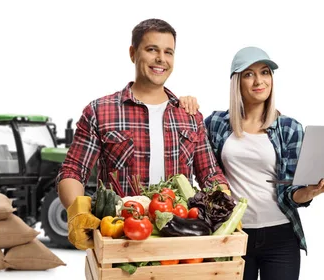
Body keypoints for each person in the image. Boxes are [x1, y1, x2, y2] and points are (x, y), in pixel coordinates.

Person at [56, 18, 229, 250]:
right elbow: (73, 170)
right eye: (151, 49)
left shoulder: (190, 116)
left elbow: (210, 174)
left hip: (179, 239)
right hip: (120, 238)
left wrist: (228, 209)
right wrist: (77, 213)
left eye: (169, 52)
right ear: (132, 53)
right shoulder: (100, 111)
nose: (161, 59)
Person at [180, 46, 324, 280]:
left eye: (265, 72)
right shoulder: (216, 123)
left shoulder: (289, 128)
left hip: (281, 236)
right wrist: (186, 103)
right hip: (233, 233)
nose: (259, 80)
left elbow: (292, 193)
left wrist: (313, 190)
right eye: (249, 74)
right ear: (237, 82)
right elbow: (202, 165)